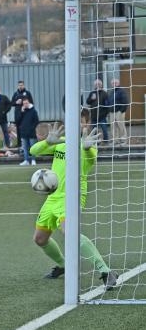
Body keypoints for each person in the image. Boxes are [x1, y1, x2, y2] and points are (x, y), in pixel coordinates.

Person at [30, 122, 118, 289]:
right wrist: (48, 142)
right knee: (40, 239)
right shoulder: (61, 143)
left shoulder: (87, 146)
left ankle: (106, 271)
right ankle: (64, 265)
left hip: (73, 197)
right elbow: (33, 151)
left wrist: (86, 148)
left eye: (82, 122)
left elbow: (92, 159)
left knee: (70, 233)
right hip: (53, 198)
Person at [86, 79, 111, 143]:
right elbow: (87, 102)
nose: (97, 85)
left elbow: (107, 104)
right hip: (94, 116)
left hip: (102, 116)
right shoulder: (92, 93)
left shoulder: (104, 93)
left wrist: (106, 113)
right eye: (96, 84)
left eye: (98, 84)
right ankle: (96, 142)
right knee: (94, 130)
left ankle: (106, 141)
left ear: (101, 85)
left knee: (104, 129)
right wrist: (91, 99)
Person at [17, 97, 39, 166]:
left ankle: (33, 160)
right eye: (24, 103)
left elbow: (36, 121)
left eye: (26, 103)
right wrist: (21, 112)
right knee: (25, 148)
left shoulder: (33, 111)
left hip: (31, 133)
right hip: (23, 133)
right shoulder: (22, 111)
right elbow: (18, 121)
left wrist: (32, 128)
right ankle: (26, 160)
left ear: (29, 103)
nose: (25, 104)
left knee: (32, 148)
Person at [11, 81, 33, 147]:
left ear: (24, 86)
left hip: (26, 114)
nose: (20, 86)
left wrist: (25, 104)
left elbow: (31, 103)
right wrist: (16, 102)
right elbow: (11, 103)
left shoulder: (27, 93)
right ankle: (19, 144)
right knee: (18, 129)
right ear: (18, 86)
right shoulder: (16, 94)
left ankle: (27, 143)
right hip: (18, 114)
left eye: (22, 85)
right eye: (19, 85)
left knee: (26, 128)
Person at [108, 78, 128, 146]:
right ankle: (115, 140)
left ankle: (123, 141)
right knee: (113, 127)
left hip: (119, 111)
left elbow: (125, 101)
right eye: (113, 83)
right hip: (111, 112)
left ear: (118, 83)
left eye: (115, 83)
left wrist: (121, 111)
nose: (114, 84)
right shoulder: (111, 92)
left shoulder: (122, 91)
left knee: (121, 125)